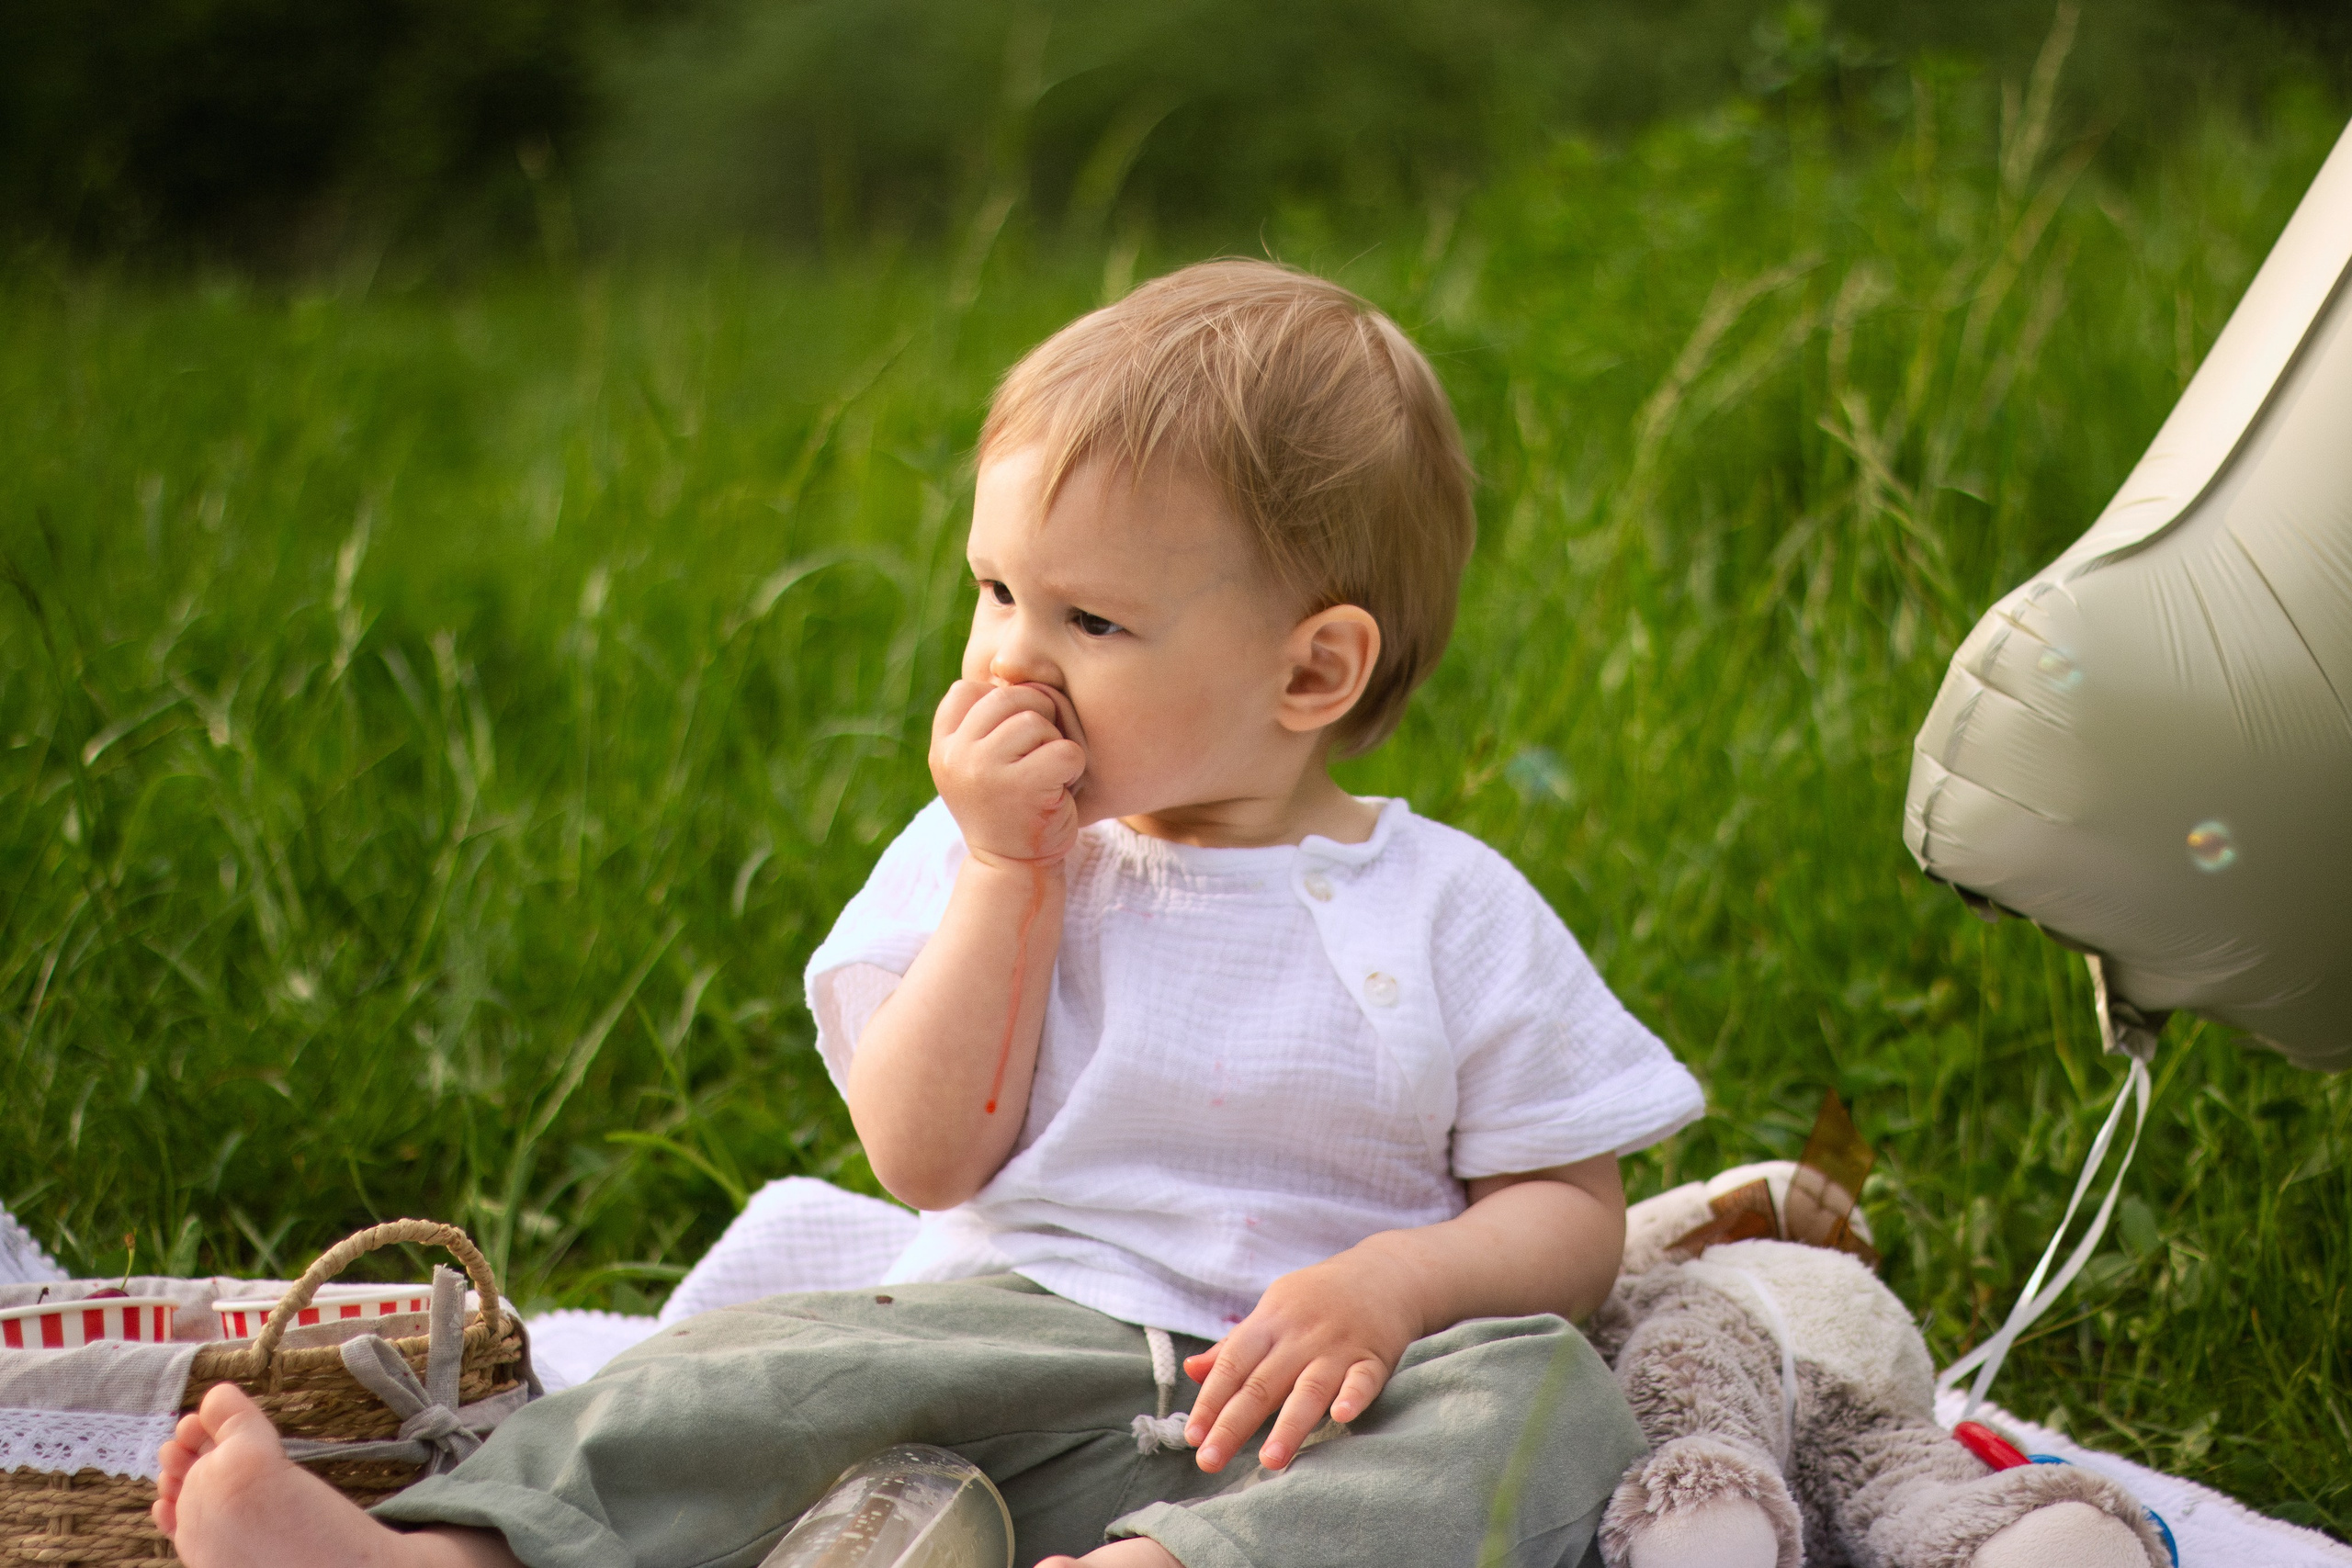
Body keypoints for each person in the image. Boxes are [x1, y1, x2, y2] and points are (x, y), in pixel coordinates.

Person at [151, 259, 1705, 1568]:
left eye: (1090, 620)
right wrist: (1011, 876)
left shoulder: (1446, 907)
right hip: (989, 1358)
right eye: (995, 590)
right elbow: (925, 1156)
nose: (1009, 658)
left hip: (1303, 1419)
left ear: (1313, 670)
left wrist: (1394, 1286)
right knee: (740, 1379)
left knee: (1552, 1403)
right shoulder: (986, 853)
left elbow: (1574, 1214)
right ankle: (456, 1557)